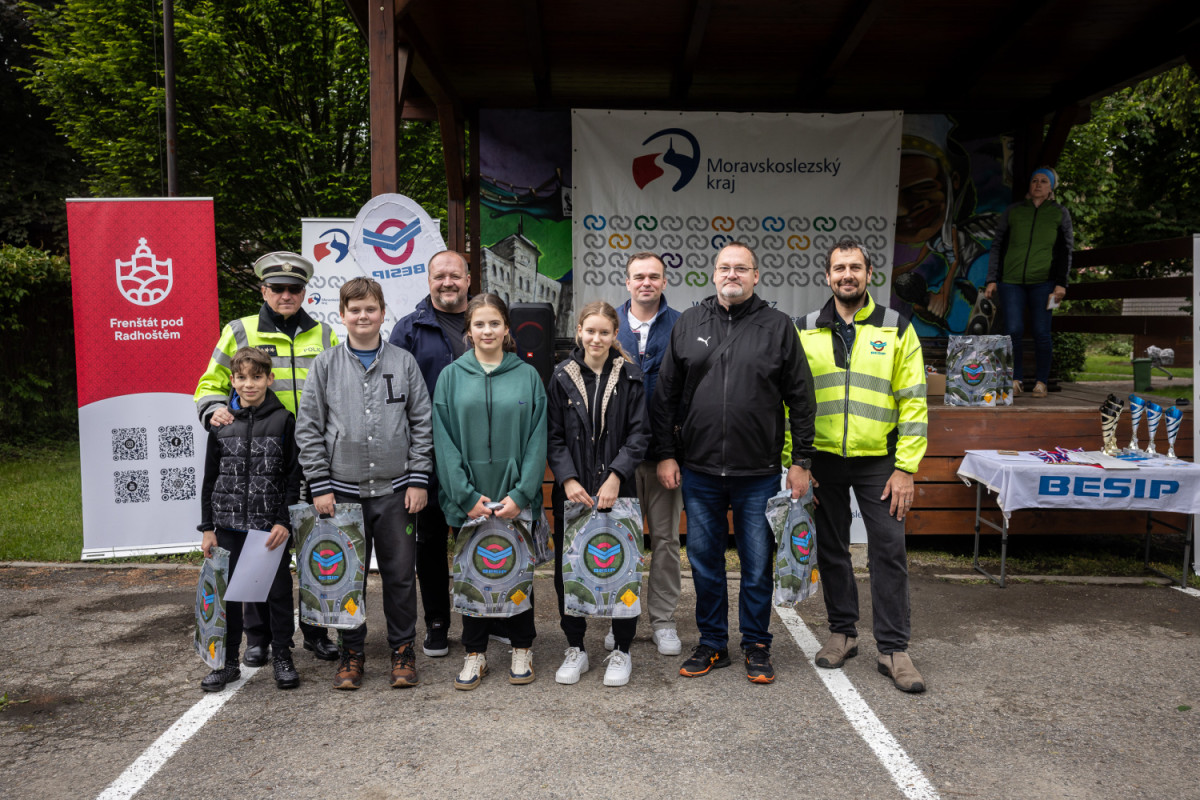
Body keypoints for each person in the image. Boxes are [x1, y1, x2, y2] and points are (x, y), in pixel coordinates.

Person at [652, 241, 816, 685]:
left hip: (758, 474)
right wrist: (666, 453)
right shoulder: (689, 323)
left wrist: (801, 460)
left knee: (757, 564)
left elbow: (801, 398)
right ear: (713, 274)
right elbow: (665, 396)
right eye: (725, 268)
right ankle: (712, 643)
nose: (732, 275)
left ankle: (757, 644)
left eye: (741, 269)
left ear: (756, 276)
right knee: (705, 563)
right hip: (700, 471)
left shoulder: (778, 327)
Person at [795, 238, 929, 693]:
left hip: (881, 463)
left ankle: (893, 649)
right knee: (830, 548)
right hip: (824, 461)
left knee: (887, 549)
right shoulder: (805, 329)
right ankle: (843, 633)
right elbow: (791, 402)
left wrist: (906, 467)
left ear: (870, 274)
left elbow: (913, 401)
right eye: (839, 268)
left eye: (855, 267)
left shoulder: (897, 326)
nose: (846, 275)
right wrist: (798, 460)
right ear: (827, 277)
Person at [193, 251, 339, 664]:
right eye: (277, 288)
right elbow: (209, 384)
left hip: (312, 463)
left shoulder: (325, 335)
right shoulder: (240, 330)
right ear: (264, 290)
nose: (286, 295)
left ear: (304, 292)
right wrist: (213, 411)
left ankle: (316, 631)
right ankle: (258, 638)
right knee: (256, 554)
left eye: (294, 289)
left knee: (315, 551)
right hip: (257, 467)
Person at [295, 277, 433, 690]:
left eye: (370, 309)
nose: (363, 316)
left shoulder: (403, 363)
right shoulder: (325, 365)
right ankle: (350, 652)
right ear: (342, 316)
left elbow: (422, 423)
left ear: (382, 313)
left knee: (400, 574)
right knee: (346, 577)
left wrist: (419, 478)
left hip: (395, 491)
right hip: (343, 494)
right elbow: (309, 428)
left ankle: (402, 650)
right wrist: (320, 483)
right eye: (354, 310)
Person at [432, 294, 547, 690]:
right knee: (473, 572)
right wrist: (465, 496)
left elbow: (537, 439)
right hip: (471, 500)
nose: (487, 331)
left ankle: (521, 647)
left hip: (515, 498)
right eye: (479, 324)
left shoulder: (527, 376)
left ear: (506, 329)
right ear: (469, 331)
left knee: (517, 572)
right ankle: (475, 653)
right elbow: (443, 440)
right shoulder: (450, 376)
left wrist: (523, 492)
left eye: (494, 323)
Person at [548, 301, 650, 687]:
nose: (596, 338)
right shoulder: (560, 376)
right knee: (568, 569)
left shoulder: (630, 376)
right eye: (590, 331)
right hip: (574, 493)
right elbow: (553, 437)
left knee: (621, 568)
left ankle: (621, 650)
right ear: (578, 331)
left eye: (604, 332)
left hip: (617, 490)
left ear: (614, 335)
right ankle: (576, 647)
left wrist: (615, 476)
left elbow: (640, 434)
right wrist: (569, 479)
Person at [197, 347, 302, 692]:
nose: (249, 384)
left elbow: (291, 477)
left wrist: (283, 520)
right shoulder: (222, 423)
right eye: (242, 377)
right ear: (232, 381)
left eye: (257, 377)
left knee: (277, 592)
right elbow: (210, 479)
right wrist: (208, 528)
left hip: (267, 527)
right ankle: (227, 663)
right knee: (228, 596)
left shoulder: (284, 420)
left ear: (270, 379)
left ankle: (283, 655)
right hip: (227, 526)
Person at [388, 250, 471, 659]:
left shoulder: (487, 320)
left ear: (468, 279)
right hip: (429, 457)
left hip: (479, 456)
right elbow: (395, 402)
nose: (447, 283)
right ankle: (437, 622)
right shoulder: (409, 330)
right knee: (431, 544)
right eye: (439, 276)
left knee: (480, 536)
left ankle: (489, 618)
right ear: (428, 281)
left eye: (454, 275)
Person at [614, 252, 684, 656]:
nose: (646, 283)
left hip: (663, 455)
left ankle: (663, 620)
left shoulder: (681, 324)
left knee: (665, 541)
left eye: (653, 276)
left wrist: (672, 450)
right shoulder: (610, 324)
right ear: (627, 282)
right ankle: (620, 617)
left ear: (663, 281)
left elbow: (687, 393)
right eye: (638, 276)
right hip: (618, 459)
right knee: (620, 540)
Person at [984, 166, 1074, 398]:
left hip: (1045, 283)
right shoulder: (1013, 211)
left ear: (1051, 187)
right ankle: (1016, 379)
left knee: (1042, 332)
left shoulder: (1059, 213)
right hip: (1011, 282)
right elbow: (997, 246)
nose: (1038, 184)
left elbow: (1066, 250)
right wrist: (992, 279)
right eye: (1035, 180)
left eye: (1044, 181)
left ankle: (1041, 382)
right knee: (1013, 329)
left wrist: (1061, 284)